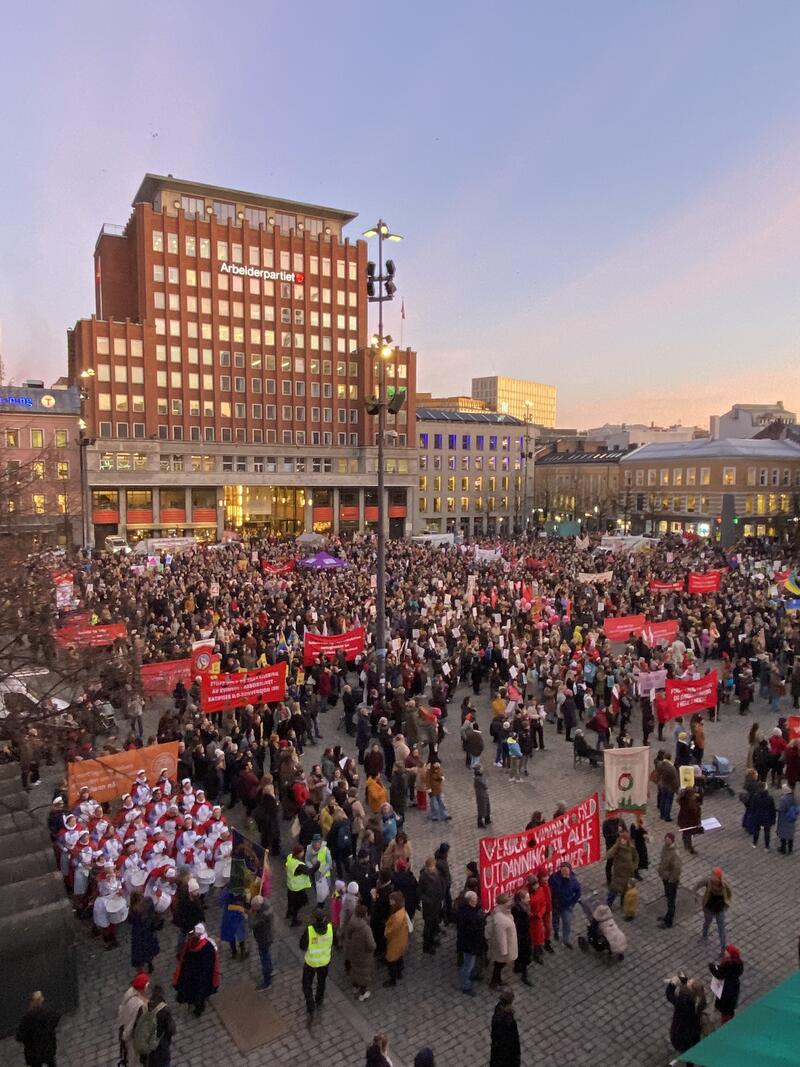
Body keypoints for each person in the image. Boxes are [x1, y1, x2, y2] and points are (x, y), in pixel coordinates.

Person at [173, 923, 220, 1017]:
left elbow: (184, 957)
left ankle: (191, 1003)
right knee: (200, 993)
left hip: (189, 974)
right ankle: (199, 1009)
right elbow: (211, 963)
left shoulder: (190, 943)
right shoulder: (207, 947)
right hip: (202, 976)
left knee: (190, 990)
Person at [299, 906, 334, 1016]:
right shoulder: (330, 927)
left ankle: (311, 1005)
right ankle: (319, 999)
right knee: (321, 982)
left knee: (307, 985)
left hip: (311, 962)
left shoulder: (309, 930)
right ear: (324, 918)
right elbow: (333, 941)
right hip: (324, 961)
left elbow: (302, 946)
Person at [15, 991, 60, 1067]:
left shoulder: (27, 1018)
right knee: (51, 1062)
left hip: (34, 1051)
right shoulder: (48, 1012)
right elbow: (56, 1018)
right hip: (48, 1046)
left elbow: (19, 1036)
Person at [665, 973, 706, 1055]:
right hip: (694, 1034)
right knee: (690, 1051)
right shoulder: (700, 1000)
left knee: (685, 1051)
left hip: (681, 1035)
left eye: (688, 983)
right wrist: (683, 979)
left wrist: (672, 984)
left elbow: (670, 995)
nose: (687, 982)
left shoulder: (684, 1002)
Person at [695, 868, 732, 955]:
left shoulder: (724, 886)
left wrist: (727, 904)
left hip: (719, 909)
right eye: (712, 875)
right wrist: (694, 894)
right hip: (708, 908)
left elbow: (729, 894)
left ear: (719, 878)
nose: (712, 877)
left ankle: (723, 948)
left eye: (714, 876)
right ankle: (704, 936)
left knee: (721, 929)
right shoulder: (708, 881)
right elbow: (698, 885)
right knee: (707, 922)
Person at [138, 984, 176, 1067]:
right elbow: (172, 1030)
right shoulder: (165, 1011)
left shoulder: (144, 1009)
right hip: (161, 1049)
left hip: (146, 1050)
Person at [344, 902, 376, 1001]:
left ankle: (355, 987)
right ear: (364, 915)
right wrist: (374, 946)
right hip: (364, 956)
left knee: (355, 969)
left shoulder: (351, 923)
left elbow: (348, 935)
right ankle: (363, 993)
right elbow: (371, 945)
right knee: (363, 974)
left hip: (353, 952)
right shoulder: (366, 929)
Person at [455, 889, 485, 996]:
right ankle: (465, 985)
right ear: (471, 901)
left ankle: (471, 975)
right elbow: (472, 929)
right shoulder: (469, 915)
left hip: (470, 943)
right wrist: (481, 920)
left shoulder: (465, 910)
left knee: (470, 963)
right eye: (475, 898)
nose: (477, 899)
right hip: (469, 944)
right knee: (467, 964)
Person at [118, 973, 150, 1065]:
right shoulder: (139, 1005)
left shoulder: (130, 992)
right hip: (134, 1038)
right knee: (135, 1060)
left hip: (126, 1030)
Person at [487, 892, 517, 987]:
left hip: (504, 946)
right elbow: (501, 937)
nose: (510, 903)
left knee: (498, 966)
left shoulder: (502, 911)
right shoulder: (500, 919)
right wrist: (504, 952)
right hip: (502, 950)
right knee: (499, 966)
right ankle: (494, 982)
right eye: (508, 902)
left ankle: (497, 980)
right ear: (503, 904)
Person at [129, 890, 161, 975]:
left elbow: (130, 921)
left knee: (139, 952)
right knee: (150, 948)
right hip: (149, 930)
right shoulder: (148, 901)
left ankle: (141, 971)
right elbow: (153, 911)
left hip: (138, 934)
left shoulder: (132, 911)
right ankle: (150, 963)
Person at [549, 862, 581, 948]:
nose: (565, 872)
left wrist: (573, 902)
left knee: (567, 922)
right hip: (556, 904)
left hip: (567, 906)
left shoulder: (573, 881)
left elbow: (578, 892)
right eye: (563, 870)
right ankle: (556, 931)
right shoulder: (554, 878)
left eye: (567, 871)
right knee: (555, 919)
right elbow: (551, 888)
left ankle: (566, 939)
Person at [709, 945, 744, 1023]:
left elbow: (719, 974)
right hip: (734, 987)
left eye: (726, 951)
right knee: (730, 1006)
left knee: (724, 1005)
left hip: (725, 989)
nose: (725, 952)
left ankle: (723, 1020)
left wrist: (712, 967)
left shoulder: (727, 963)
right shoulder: (739, 963)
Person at [418, 856, 445, 955]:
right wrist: (427, 900)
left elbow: (442, 885)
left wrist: (442, 896)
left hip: (437, 904)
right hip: (429, 907)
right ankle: (427, 946)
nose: (432, 869)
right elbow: (420, 892)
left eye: (433, 867)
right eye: (430, 868)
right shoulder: (423, 877)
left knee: (434, 925)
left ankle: (433, 941)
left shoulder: (437, 873)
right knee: (428, 928)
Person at [606, 830, 639, 907]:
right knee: (613, 891)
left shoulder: (631, 848)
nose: (623, 841)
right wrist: (606, 856)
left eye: (625, 839)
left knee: (625, 890)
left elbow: (636, 857)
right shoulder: (618, 846)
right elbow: (611, 851)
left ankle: (622, 903)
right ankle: (608, 905)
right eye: (622, 839)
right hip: (618, 874)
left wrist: (634, 866)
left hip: (628, 874)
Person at [384, 890, 410, 986]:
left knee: (392, 961)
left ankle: (392, 979)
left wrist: (386, 931)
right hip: (402, 939)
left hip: (395, 942)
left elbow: (390, 931)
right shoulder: (402, 911)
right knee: (399, 957)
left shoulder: (396, 917)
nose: (390, 902)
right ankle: (399, 973)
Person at [285, 843, 315, 926]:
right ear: (298, 853)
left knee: (290, 901)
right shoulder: (299, 866)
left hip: (290, 885)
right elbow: (310, 871)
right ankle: (294, 921)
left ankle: (289, 913)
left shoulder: (290, 857)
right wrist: (318, 864)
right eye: (302, 852)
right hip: (297, 889)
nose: (303, 853)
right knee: (297, 905)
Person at [657, 832, 682, 928]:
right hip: (665, 877)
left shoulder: (675, 854)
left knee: (671, 901)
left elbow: (677, 869)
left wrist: (672, 879)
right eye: (665, 839)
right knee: (668, 898)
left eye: (668, 839)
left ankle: (669, 922)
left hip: (671, 880)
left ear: (672, 840)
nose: (666, 841)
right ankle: (667, 916)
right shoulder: (665, 847)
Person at [249, 895, 274, 991]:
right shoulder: (266, 904)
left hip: (264, 938)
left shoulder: (264, 914)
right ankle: (270, 970)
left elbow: (252, 925)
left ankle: (267, 982)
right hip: (267, 935)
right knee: (266, 955)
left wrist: (251, 915)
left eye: (254, 907)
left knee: (264, 959)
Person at [490, 989, 521, 1067]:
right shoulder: (507, 1018)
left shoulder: (498, 1007)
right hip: (505, 1049)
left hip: (498, 1046)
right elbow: (510, 1035)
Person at [219, 886, 249, 959]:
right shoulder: (241, 890)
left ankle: (234, 952)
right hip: (238, 915)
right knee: (240, 933)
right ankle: (242, 952)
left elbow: (220, 901)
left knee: (231, 934)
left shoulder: (226, 891)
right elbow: (246, 903)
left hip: (228, 915)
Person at [511, 888, 532, 985]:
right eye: (527, 898)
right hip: (523, 935)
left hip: (519, 934)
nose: (529, 899)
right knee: (524, 955)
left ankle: (517, 966)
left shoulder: (516, 907)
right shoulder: (522, 910)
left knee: (519, 953)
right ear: (521, 899)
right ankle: (524, 975)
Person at [748, 781, 776, 849]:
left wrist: (753, 815)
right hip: (767, 817)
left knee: (756, 830)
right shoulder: (770, 798)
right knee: (767, 832)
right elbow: (772, 809)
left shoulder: (755, 796)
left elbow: (753, 807)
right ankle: (767, 846)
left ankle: (754, 843)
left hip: (757, 816)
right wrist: (773, 819)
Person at [677, 786, 702, 854]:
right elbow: (695, 815)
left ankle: (686, 844)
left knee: (685, 833)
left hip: (682, 820)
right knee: (688, 834)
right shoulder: (690, 804)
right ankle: (689, 847)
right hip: (689, 822)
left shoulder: (683, 800)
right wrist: (698, 823)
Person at [777, 783, 797, 854]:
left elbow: (781, 808)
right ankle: (790, 849)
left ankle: (783, 849)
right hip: (792, 817)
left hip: (784, 818)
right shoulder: (794, 797)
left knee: (783, 833)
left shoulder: (783, 799)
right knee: (790, 833)